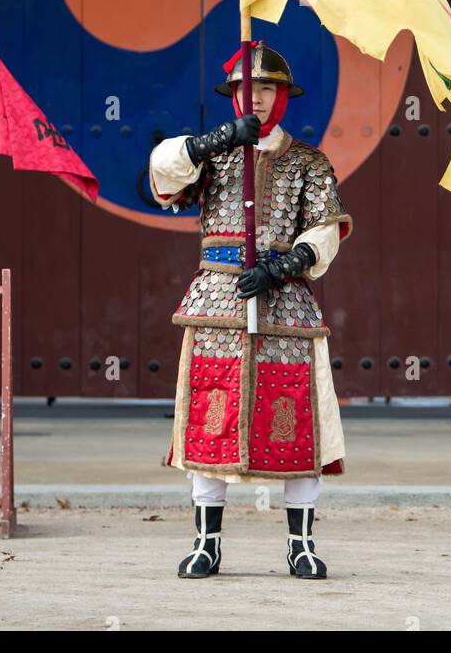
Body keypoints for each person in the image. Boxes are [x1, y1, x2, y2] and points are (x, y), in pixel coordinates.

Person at [148, 40, 352, 580]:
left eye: (266, 88)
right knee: (208, 418)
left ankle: (301, 544)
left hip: (284, 298)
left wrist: (283, 267)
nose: (256, 98)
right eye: (246, 88)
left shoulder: (308, 161)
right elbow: (162, 174)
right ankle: (206, 543)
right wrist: (216, 141)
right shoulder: (211, 156)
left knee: (296, 420)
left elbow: (326, 231)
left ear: (283, 96)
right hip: (217, 298)